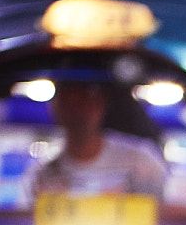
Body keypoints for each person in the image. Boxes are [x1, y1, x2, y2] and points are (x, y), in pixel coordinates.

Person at [23, 80, 167, 199]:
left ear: (101, 103)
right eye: (67, 99)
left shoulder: (143, 162)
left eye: (84, 99)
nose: (76, 109)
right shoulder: (41, 173)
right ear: (55, 105)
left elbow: (169, 214)